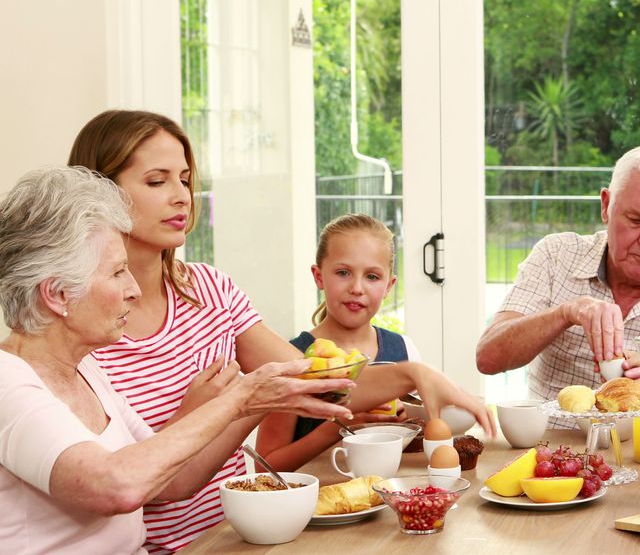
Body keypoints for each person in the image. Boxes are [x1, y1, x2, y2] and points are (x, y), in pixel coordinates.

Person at [68, 109, 493, 552]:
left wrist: (413, 374)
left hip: (245, 535)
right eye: (157, 182)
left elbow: (311, 378)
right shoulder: (84, 328)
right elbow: (129, 483)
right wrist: (216, 409)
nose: (182, 196)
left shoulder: (210, 289)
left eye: (184, 178)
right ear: (98, 194)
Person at [0, 167, 354, 554]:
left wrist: (261, 399)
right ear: (57, 295)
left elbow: (172, 482)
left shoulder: (85, 368)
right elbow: (116, 487)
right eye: (118, 273)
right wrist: (241, 398)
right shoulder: (8, 384)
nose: (133, 290)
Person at [475, 142, 640, 419]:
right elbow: (489, 357)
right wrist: (565, 313)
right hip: (552, 454)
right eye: (636, 220)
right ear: (606, 206)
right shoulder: (556, 257)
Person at [256, 213, 426, 471]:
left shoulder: (404, 349)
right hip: (316, 506)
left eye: (372, 277)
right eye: (343, 272)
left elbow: (421, 437)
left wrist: (407, 420)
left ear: (389, 286)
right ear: (318, 276)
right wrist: (339, 426)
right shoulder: (290, 358)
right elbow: (266, 466)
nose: (357, 288)